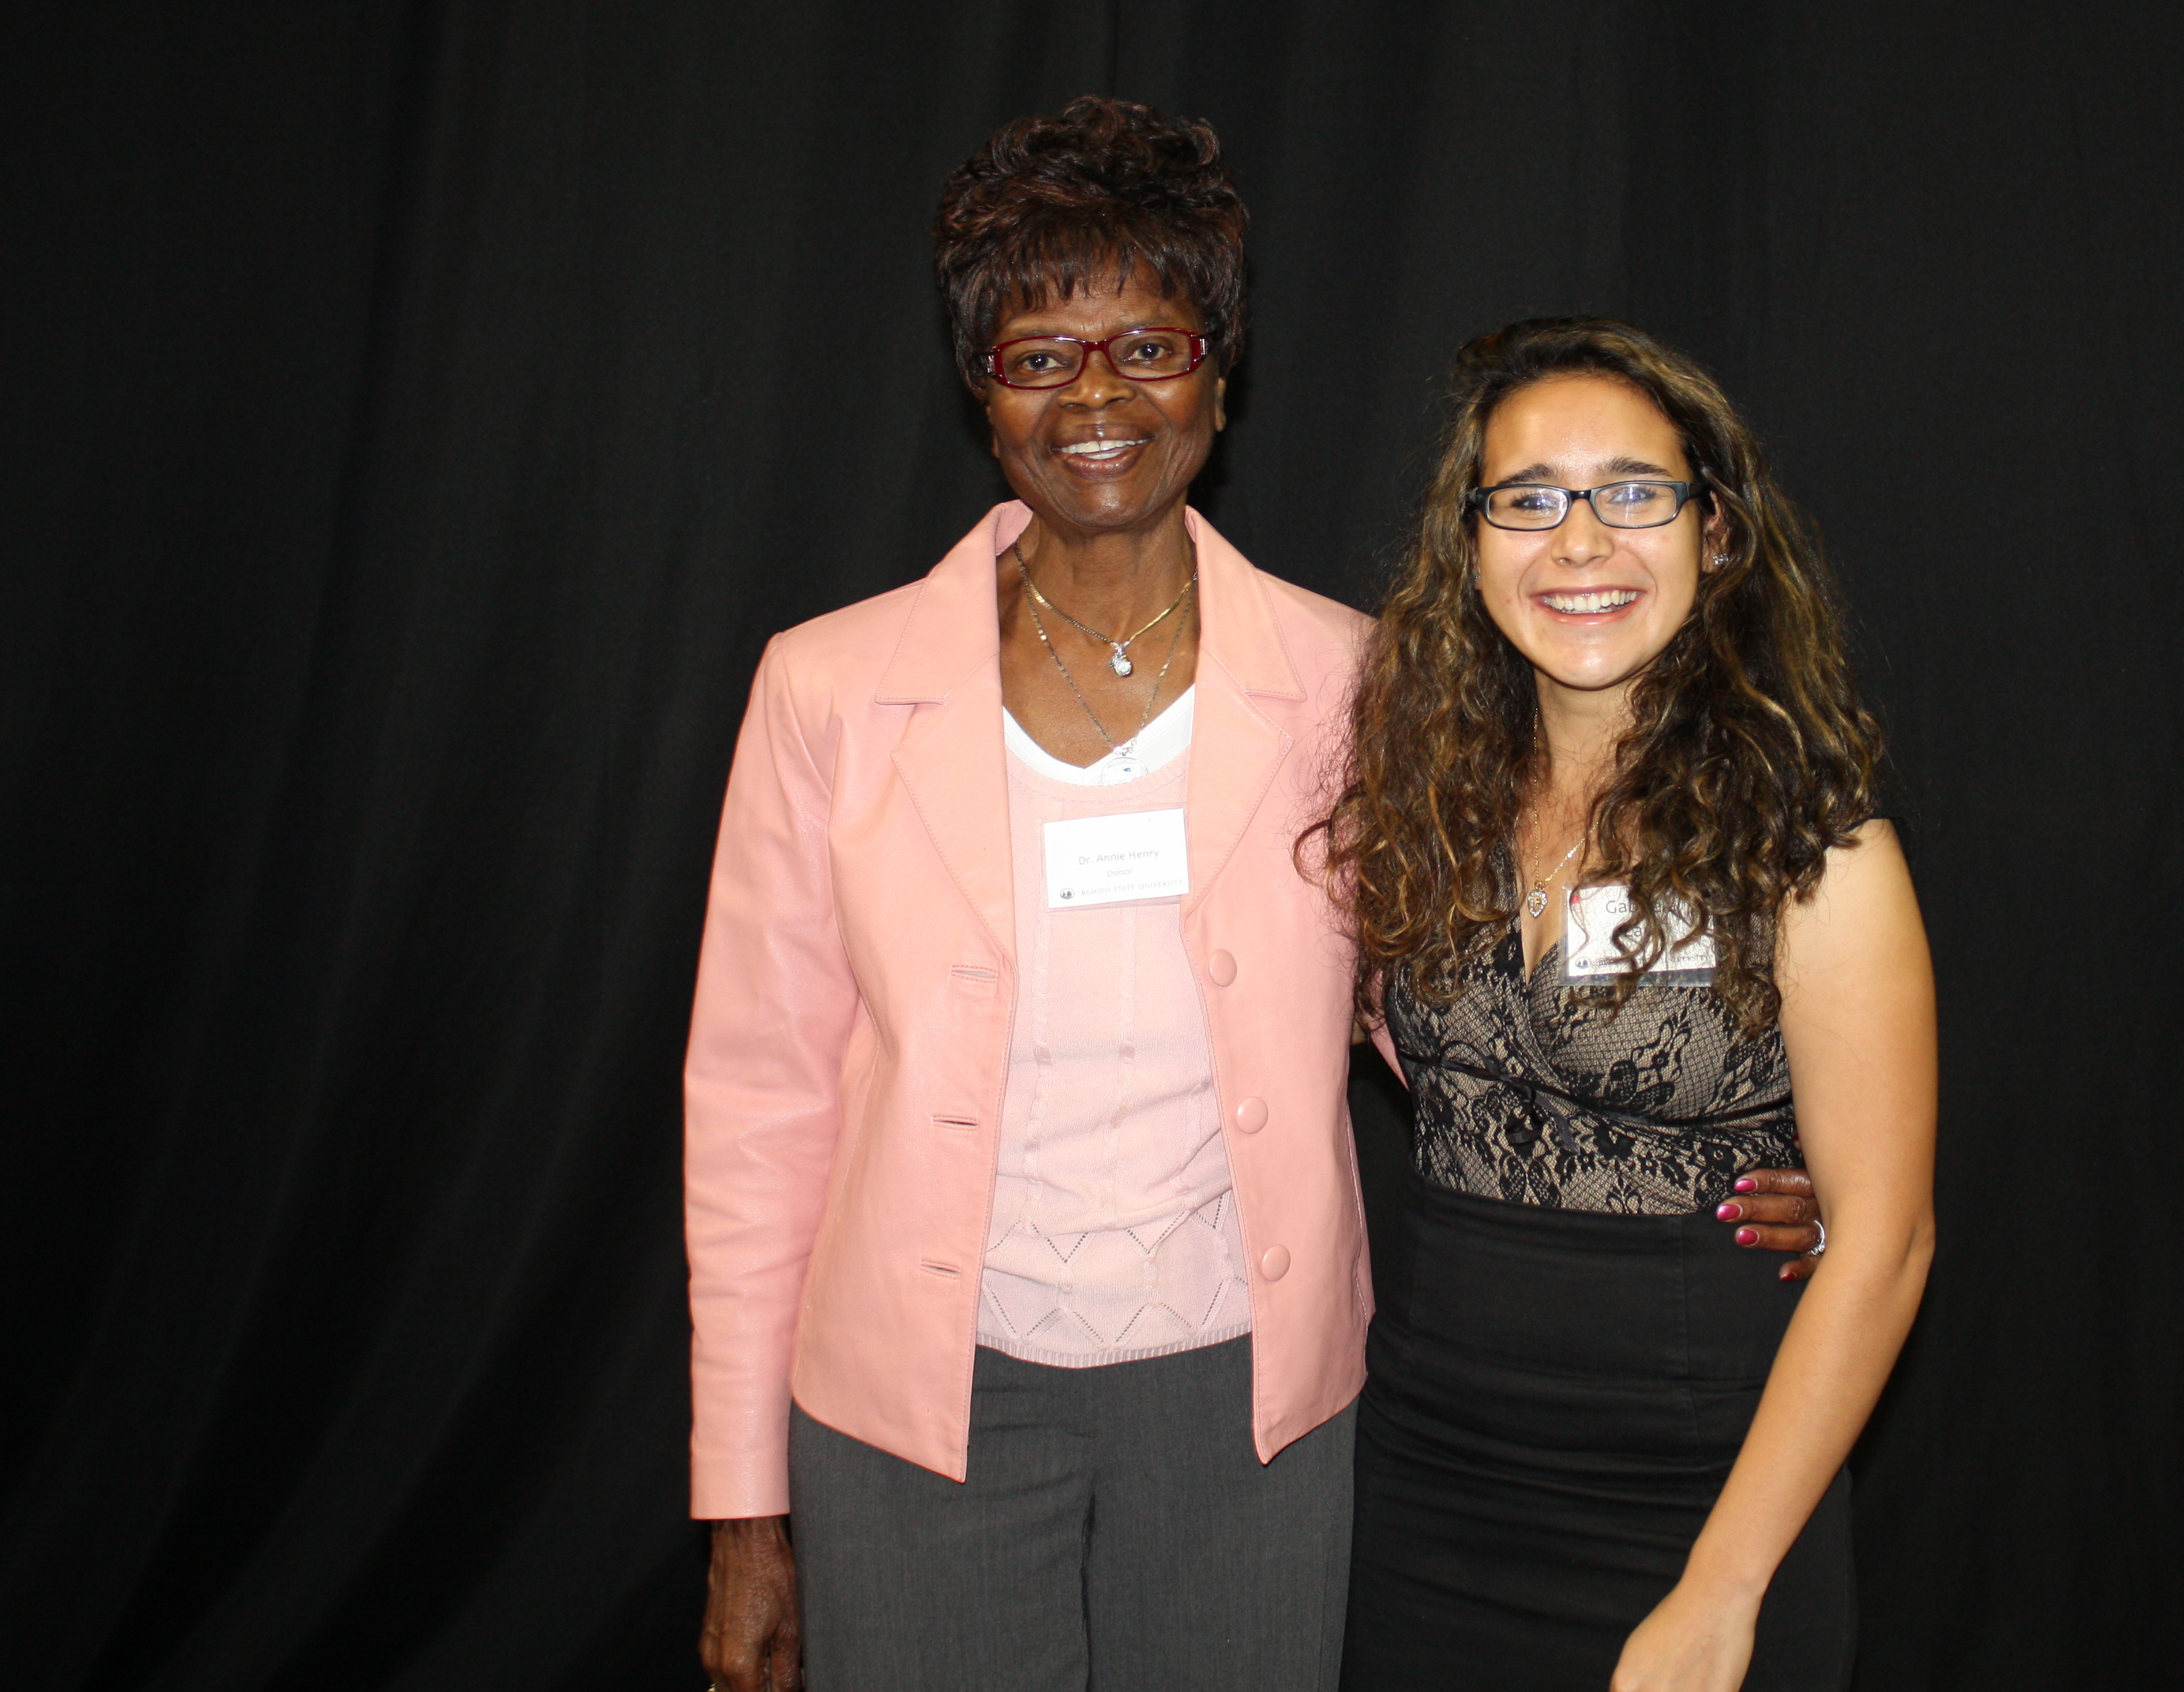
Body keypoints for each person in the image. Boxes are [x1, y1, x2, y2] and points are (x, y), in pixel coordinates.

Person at [683, 101, 1824, 1692]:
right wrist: (743, 1503)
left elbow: (1466, 1015)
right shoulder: (825, 687)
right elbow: (755, 1103)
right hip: (919, 1418)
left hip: (1254, 1411)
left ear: (1219, 368)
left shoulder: (1356, 681)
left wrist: (1738, 1160)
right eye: (1040, 353)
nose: (1098, 395)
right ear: (981, 386)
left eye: (1147, 342)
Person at [1324, 318, 1938, 1692]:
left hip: (1704, 1476)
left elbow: (1887, 1241)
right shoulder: (1419, 802)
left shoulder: (1815, 840)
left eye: (1633, 491)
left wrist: (1722, 1594)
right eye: (1530, 499)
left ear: (1714, 530)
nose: (1580, 540)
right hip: (1431, 1469)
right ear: (1470, 543)